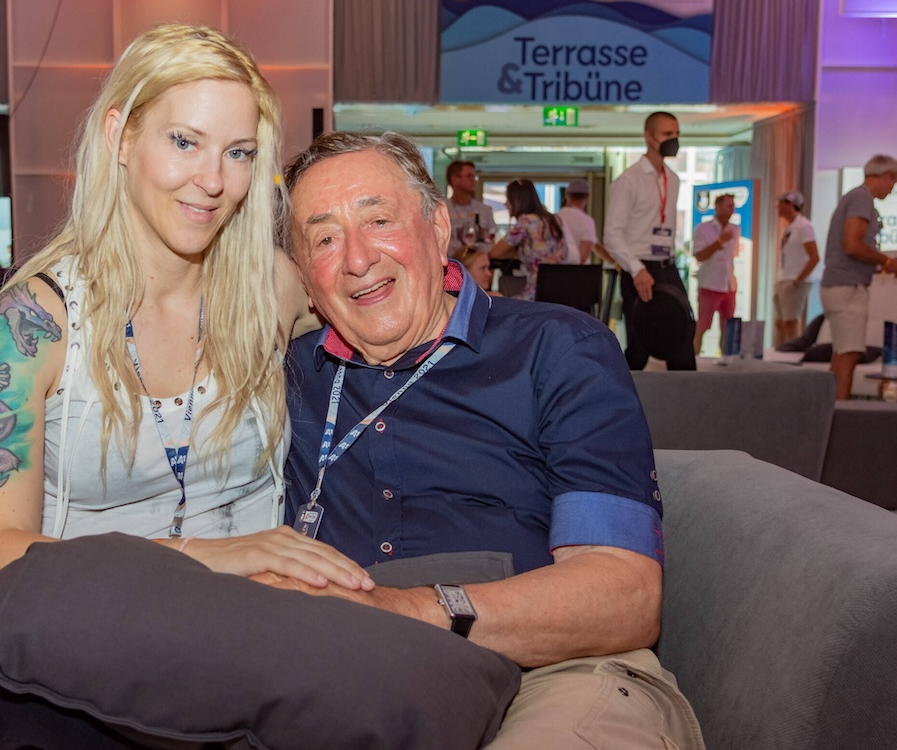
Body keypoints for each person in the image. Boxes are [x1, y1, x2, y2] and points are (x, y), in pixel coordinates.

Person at [278, 130, 704, 749]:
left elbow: (624, 595)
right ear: (301, 276)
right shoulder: (286, 378)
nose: (357, 257)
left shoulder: (558, 349)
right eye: (323, 238)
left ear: (439, 227)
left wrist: (417, 610)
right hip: (348, 675)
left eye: (379, 219)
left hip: (553, 671)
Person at [0, 23, 368, 593]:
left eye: (238, 153)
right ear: (121, 137)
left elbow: (397, 331)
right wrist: (202, 556)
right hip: (90, 630)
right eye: (184, 141)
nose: (212, 180)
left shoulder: (272, 285)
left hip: (252, 628)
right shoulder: (34, 323)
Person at [604, 111, 696, 370]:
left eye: (677, 134)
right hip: (639, 270)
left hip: (668, 267)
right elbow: (611, 234)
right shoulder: (629, 180)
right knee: (641, 345)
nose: (674, 139)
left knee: (682, 338)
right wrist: (636, 269)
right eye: (667, 134)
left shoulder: (673, 179)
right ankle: (619, 403)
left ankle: (692, 406)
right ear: (648, 137)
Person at [819, 154, 897, 400]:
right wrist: (886, 261)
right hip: (847, 287)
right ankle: (840, 418)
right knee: (850, 353)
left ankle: (829, 413)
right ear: (886, 176)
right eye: (894, 182)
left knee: (842, 353)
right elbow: (852, 245)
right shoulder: (862, 198)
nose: (893, 189)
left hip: (839, 285)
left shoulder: (854, 197)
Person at [488, 178, 568, 301]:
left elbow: (494, 253)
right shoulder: (553, 219)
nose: (506, 204)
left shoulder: (526, 221)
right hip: (561, 292)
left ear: (517, 200)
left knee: (499, 302)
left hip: (536, 294)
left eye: (508, 199)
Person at [691, 193, 740, 355]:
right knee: (703, 326)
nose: (731, 210)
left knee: (727, 327)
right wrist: (719, 242)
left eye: (733, 206)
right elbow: (699, 255)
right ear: (718, 207)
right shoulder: (702, 229)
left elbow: (733, 255)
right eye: (728, 206)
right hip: (710, 284)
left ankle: (724, 359)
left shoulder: (735, 229)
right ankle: (694, 359)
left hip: (728, 285)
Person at [773, 191, 819, 346]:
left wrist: (798, 281)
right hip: (784, 279)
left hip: (794, 280)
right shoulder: (791, 228)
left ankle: (790, 356)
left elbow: (814, 257)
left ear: (790, 204)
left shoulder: (804, 226)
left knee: (790, 323)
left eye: (781, 203)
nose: (778, 206)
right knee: (780, 323)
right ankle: (779, 354)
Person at [446, 160, 497, 257]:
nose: (473, 180)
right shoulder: (442, 209)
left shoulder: (484, 210)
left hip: (476, 267)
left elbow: (492, 238)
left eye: (474, 176)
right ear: (455, 180)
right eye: (469, 176)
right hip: (449, 266)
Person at [556, 178, 598, 264]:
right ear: (587, 196)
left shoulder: (556, 218)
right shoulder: (587, 221)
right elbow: (583, 257)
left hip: (558, 270)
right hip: (580, 273)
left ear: (567, 195)